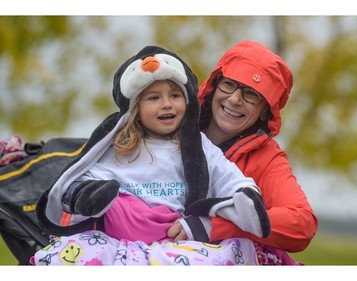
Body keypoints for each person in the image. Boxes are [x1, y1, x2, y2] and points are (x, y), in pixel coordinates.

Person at [32, 45, 270, 266]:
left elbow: (225, 174)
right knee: (78, 254)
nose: (167, 104)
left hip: (173, 239)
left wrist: (244, 193)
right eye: (154, 98)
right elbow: (83, 179)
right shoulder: (119, 145)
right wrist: (85, 195)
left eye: (175, 96)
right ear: (135, 107)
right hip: (117, 239)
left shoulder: (196, 146)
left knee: (229, 251)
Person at [168, 40, 318, 265]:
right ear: (213, 86)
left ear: (265, 111)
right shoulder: (170, 126)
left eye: (252, 94)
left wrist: (217, 224)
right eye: (229, 84)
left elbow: (301, 223)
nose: (235, 99)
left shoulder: (267, 158)